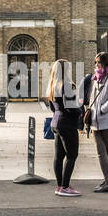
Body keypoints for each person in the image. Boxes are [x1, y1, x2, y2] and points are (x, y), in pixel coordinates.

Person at [45, 60, 83, 196]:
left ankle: (60, 186)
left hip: (56, 123)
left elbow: (52, 107)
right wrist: (80, 110)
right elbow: (71, 107)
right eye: (68, 68)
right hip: (67, 124)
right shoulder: (66, 85)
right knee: (72, 155)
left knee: (59, 156)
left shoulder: (51, 85)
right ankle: (65, 187)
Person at [85, 51, 108, 192]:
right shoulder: (96, 77)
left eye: (99, 62)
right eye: (95, 62)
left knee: (107, 150)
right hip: (95, 120)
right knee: (102, 150)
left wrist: (101, 110)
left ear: (105, 63)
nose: (96, 64)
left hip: (107, 119)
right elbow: (92, 96)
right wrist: (90, 108)